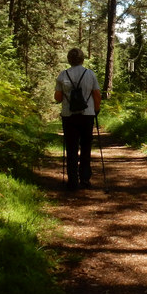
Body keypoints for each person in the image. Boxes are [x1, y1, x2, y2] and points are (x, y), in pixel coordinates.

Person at [54, 48, 101, 190]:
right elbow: (97, 94)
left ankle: (72, 181)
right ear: (83, 59)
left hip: (69, 116)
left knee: (71, 148)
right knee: (86, 147)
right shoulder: (90, 74)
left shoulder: (63, 75)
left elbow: (58, 98)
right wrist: (96, 110)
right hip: (87, 115)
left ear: (69, 59)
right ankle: (85, 179)